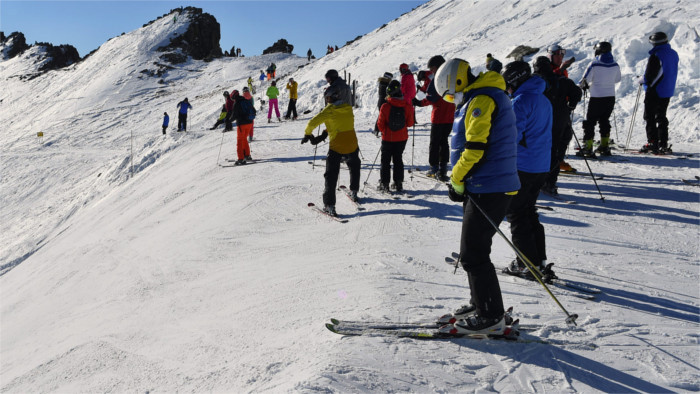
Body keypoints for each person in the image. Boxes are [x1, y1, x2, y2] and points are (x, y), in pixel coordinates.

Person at [434, 58, 520, 335]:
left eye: (449, 93)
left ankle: (490, 316)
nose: (450, 99)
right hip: (486, 184)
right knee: (473, 250)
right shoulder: (482, 95)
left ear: (457, 82)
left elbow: (475, 148)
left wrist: (456, 179)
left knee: (473, 254)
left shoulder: (482, 99)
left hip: (489, 186)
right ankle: (480, 303)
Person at [499, 61, 554, 279]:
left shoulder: (520, 101)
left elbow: (513, 135)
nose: (507, 89)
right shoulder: (543, 99)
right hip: (540, 165)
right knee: (529, 211)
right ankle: (538, 259)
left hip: (523, 166)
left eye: (508, 84)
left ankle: (526, 263)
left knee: (516, 214)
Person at [301, 69, 360, 216]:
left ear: (331, 99)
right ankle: (354, 191)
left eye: (327, 99)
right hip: (352, 142)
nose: (327, 101)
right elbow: (338, 124)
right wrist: (326, 133)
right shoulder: (348, 108)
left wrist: (308, 135)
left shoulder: (329, 111)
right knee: (354, 165)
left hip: (337, 146)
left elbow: (311, 123)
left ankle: (329, 205)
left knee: (331, 175)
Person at [533, 57, 582, 196]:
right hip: (562, 120)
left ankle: (540, 180)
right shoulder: (560, 79)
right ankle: (550, 183)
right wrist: (570, 106)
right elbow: (577, 92)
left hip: (544, 120)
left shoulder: (535, 81)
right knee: (555, 152)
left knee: (541, 150)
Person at [412, 55, 456, 181]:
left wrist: (419, 103)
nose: (431, 71)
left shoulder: (439, 79)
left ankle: (434, 168)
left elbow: (432, 97)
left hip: (439, 116)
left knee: (435, 143)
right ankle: (443, 169)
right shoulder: (450, 76)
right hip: (450, 116)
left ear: (437, 67)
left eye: (432, 68)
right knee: (444, 142)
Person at [577, 41, 621, 157]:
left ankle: (588, 146)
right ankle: (604, 145)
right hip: (610, 97)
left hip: (596, 97)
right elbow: (617, 79)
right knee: (604, 120)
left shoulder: (594, 64)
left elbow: (584, 81)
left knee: (590, 122)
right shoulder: (615, 64)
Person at [639, 31, 679, 154]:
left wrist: (643, 80)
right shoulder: (673, 53)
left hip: (656, 89)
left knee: (649, 116)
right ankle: (663, 143)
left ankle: (652, 142)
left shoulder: (657, 55)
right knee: (661, 116)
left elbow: (651, 75)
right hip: (667, 89)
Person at [377, 80, 413, 193]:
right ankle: (398, 183)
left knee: (385, 161)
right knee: (398, 159)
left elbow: (380, 124)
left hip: (388, 138)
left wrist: (385, 132)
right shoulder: (407, 106)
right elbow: (410, 123)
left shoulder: (385, 106)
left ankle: (385, 183)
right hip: (402, 138)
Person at [229, 90, 253, 165]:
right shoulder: (245, 100)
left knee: (239, 141)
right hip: (249, 123)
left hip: (242, 125)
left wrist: (228, 120)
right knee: (244, 139)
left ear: (234, 97)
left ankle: (241, 159)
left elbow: (234, 115)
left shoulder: (237, 103)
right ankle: (247, 155)